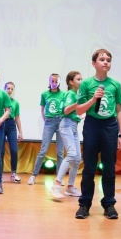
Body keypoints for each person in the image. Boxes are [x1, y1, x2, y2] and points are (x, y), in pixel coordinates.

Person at [75, 49, 121, 220]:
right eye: (102, 59)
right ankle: (84, 204)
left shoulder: (115, 85)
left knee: (109, 168)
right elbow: (79, 110)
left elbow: (119, 110)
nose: (106, 62)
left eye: (108, 60)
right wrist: (93, 99)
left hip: (110, 126)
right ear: (93, 63)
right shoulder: (86, 84)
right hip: (92, 125)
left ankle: (109, 204)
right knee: (89, 167)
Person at [27, 73, 65, 185]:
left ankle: (59, 178)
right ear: (49, 82)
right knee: (43, 150)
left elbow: (65, 108)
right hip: (49, 122)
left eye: (56, 81)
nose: (54, 83)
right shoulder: (45, 94)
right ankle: (33, 175)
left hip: (60, 122)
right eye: (52, 81)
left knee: (60, 152)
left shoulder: (63, 94)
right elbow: (42, 109)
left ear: (59, 82)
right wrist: (46, 120)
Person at [52, 71, 83, 199]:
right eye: (78, 79)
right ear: (71, 82)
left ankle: (70, 187)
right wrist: (78, 103)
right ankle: (56, 185)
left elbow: (75, 112)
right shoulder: (70, 94)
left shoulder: (76, 94)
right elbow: (66, 110)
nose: (81, 81)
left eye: (81, 79)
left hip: (73, 126)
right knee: (72, 154)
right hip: (66, 125)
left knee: (77, 158)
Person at [2, 81, 23, 183]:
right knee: (0, 151)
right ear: (4, 89)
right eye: (8, 88)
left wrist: (20, 132)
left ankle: (13, 173)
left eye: (11, 89)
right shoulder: (1, 100)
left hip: (11, 125)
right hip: (1, 124)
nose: (9, 90)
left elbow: (17, 118)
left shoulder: (15, 103)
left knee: (14, 150)